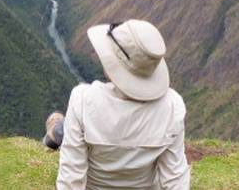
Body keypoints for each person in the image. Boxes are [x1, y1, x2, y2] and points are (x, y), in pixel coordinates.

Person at [44, 19, 190, 189]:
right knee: (75, 124)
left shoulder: (83, 98)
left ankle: (57, 131)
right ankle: (58, 129)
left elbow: (71, 178)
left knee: (72, 124)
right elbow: (175, 179)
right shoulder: (173, 107)